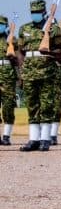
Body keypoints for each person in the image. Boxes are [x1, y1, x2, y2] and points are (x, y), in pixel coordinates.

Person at [17, 0, 61, 152]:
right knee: (31, 105)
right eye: (33, 13)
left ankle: (45, 139)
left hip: (47, 74)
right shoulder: (24, 29)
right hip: (29, 73)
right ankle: (33, 139)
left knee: (46, 106)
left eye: (38, 13)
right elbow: (20, 52)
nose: (35, 15)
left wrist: (50, 52)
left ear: (44, 13)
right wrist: (21, 72)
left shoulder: (54, 30)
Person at [0, 15, 15, 145]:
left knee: (8, 107)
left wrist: (12, 54)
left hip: (8, 77)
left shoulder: (12, 40)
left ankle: (6, 136)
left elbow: (19, 60)